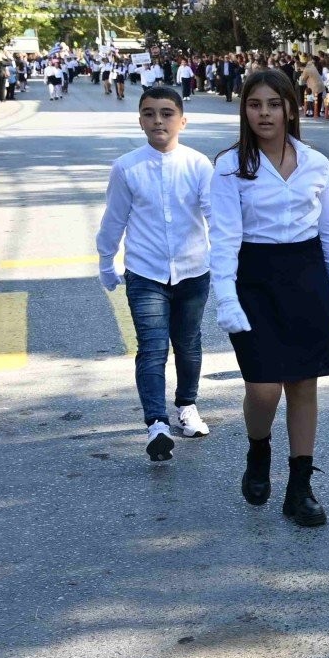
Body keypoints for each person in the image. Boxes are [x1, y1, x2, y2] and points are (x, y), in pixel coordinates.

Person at [209, 70, 329, 527]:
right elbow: (225, 239)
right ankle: (258, 448)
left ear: (291, 107)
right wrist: (226, 298)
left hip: (305, 276)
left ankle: (301, 487)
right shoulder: (230, 166)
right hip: (255, 278)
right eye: (254, 104)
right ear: (244, 110)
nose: (264, 113)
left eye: (273, 103)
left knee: (304, 384)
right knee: (264, 388)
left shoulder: (316, 163)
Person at [98, 84, 215, 463]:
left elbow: (215, 214)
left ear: (182, 120)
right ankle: (156, 425)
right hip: (145, 272)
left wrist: (231, 259)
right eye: (149, 113)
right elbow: (114, 219)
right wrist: (105, 261)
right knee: (151, 347)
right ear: (140, 121)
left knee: (188, 342)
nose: (158, 120)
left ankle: (187, 406)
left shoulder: (198, 164)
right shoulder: (127, 167)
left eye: (166, 113)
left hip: (194, 270)